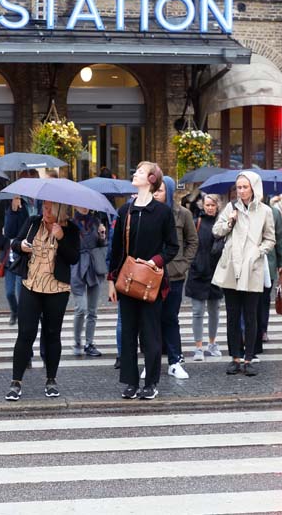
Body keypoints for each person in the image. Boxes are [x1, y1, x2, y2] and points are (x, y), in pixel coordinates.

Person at [107, 161, 178, 401]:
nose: (134, 173)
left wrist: (156, 261)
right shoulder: (125, 210)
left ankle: (151, 383)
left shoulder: (163, 212)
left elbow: (172, 246)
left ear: (151, 179)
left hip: (151, 281)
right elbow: (116, 249)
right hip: (127, 280)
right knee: (128, 333)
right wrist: (111, 280)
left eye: (139, 171)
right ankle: (130, 382)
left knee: (150, 334)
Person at [5, 200, 80, 400]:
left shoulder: (71, 229)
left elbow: (74, 258)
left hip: (57, 288)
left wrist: (61, 238)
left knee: (52, 334)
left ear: (60, 209)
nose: (45, 212)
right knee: (26, 333)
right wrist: (20, 245)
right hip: (31, 285)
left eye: (50, 209)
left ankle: (51, 380)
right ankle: (16, 382)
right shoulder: (32, 222)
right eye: (44, 208)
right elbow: (15, 243)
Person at [212, 171, 275, 377]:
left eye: (244, 187)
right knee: (232, 315)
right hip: (232, 266)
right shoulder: (231, 207)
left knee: (251, 315)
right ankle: (235, 358)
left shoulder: (265, 211)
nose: (241, 191)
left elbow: (270, 239)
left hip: (252, 267)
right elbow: (216, 231)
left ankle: (249, 358)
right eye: (238, 187)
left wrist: (258, 252)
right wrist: (230, 221)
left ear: (253, 188)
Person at [155, 176, 198, 378]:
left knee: (170, 318)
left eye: (161, 190)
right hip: (152, 274)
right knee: (151, 320)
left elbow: (192, 241)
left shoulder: (183, 214)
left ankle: (175, 360)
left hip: (175, 275)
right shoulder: (148, 213)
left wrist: (183, 263)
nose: (156, 193)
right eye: (155, 189)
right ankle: (151, 362)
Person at [185, 194, 224, 361]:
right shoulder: (196, 223)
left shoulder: (222, 224)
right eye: (207, 205)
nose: (209, 208)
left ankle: (212, 343)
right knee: (197, 312)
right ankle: (198, 347)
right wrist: (191, 263)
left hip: (216, 273)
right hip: (198, 272)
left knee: (214, 311)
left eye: (212, 205)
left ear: (217, 206)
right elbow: (189, 244)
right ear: (202, 205)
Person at [70, 207, 107, 357]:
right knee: (81, 308)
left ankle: (89, 343)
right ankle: (77, 341)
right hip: (77, 268)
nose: (84, 209)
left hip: (93, 267)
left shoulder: (96, 222)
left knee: (92, 310)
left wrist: (102, 235)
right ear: (76, 206)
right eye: (80, 206)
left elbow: (102, 245)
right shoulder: (71, 224)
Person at [254, 200, 282, 355]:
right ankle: (251, 331)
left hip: (269, 260)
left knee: (264, 298)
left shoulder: (273, 212)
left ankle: (262, 329)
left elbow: (280, 237)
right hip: (249, 262)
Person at [3, 195, 30, 325]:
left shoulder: (25, 211)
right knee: (9, 293)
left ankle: (22, 317)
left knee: (21, 294)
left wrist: (19, 211)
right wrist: (13, 212)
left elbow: (23, 232)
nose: (16, 200)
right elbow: (8, 232)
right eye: (14, 198)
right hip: (9, 260)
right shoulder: (8, 211)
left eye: (18, 198)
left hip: (21, 259)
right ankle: (14, 311)